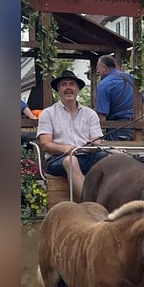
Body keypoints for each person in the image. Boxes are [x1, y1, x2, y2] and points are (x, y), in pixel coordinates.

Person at [36, 70, 109, 201]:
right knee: (71, 160)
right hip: (58, 160)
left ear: (78, 89)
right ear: (58, 90)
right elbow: (45, 144)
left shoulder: (90, 114)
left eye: (72, 84)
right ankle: (90, 204)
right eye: (64, 84)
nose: (68, 88)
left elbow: (97, 142)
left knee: (109, 159)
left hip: (86, 157)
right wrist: (64, 148)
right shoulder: (48, 113)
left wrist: (92, 145)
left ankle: (114, 202)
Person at [96, 55, 135, 141]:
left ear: (105, 68)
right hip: (136, 125)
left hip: (116, 127)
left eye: (98, 68)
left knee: (116, 153)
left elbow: (102, 115)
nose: (98, 71)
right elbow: (142, 100)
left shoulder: (103, 85)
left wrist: (99, 135)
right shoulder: (130, 78)